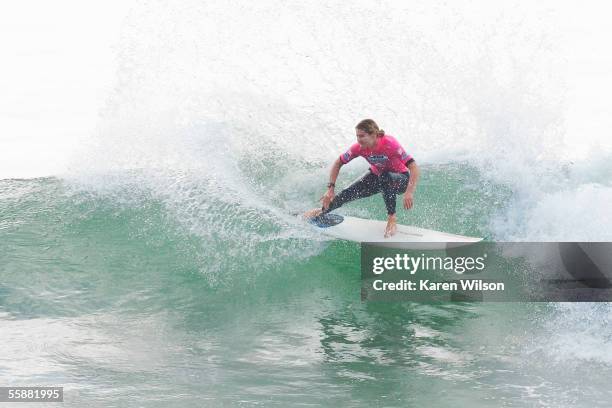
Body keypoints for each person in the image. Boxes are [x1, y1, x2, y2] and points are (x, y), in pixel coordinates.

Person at [304, 119, 420, 238]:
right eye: (357, 136)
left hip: (400, 179)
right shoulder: (358, 148)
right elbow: (338, 163)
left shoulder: (390, 143)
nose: (359, 139)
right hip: (377, 176)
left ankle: (392, 218)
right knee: (346, 194)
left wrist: (409, 192)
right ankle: (321, 211)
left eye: (362, 136)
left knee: (384, 176)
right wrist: (330, 189)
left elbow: (414, 167)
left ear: (374, 135)